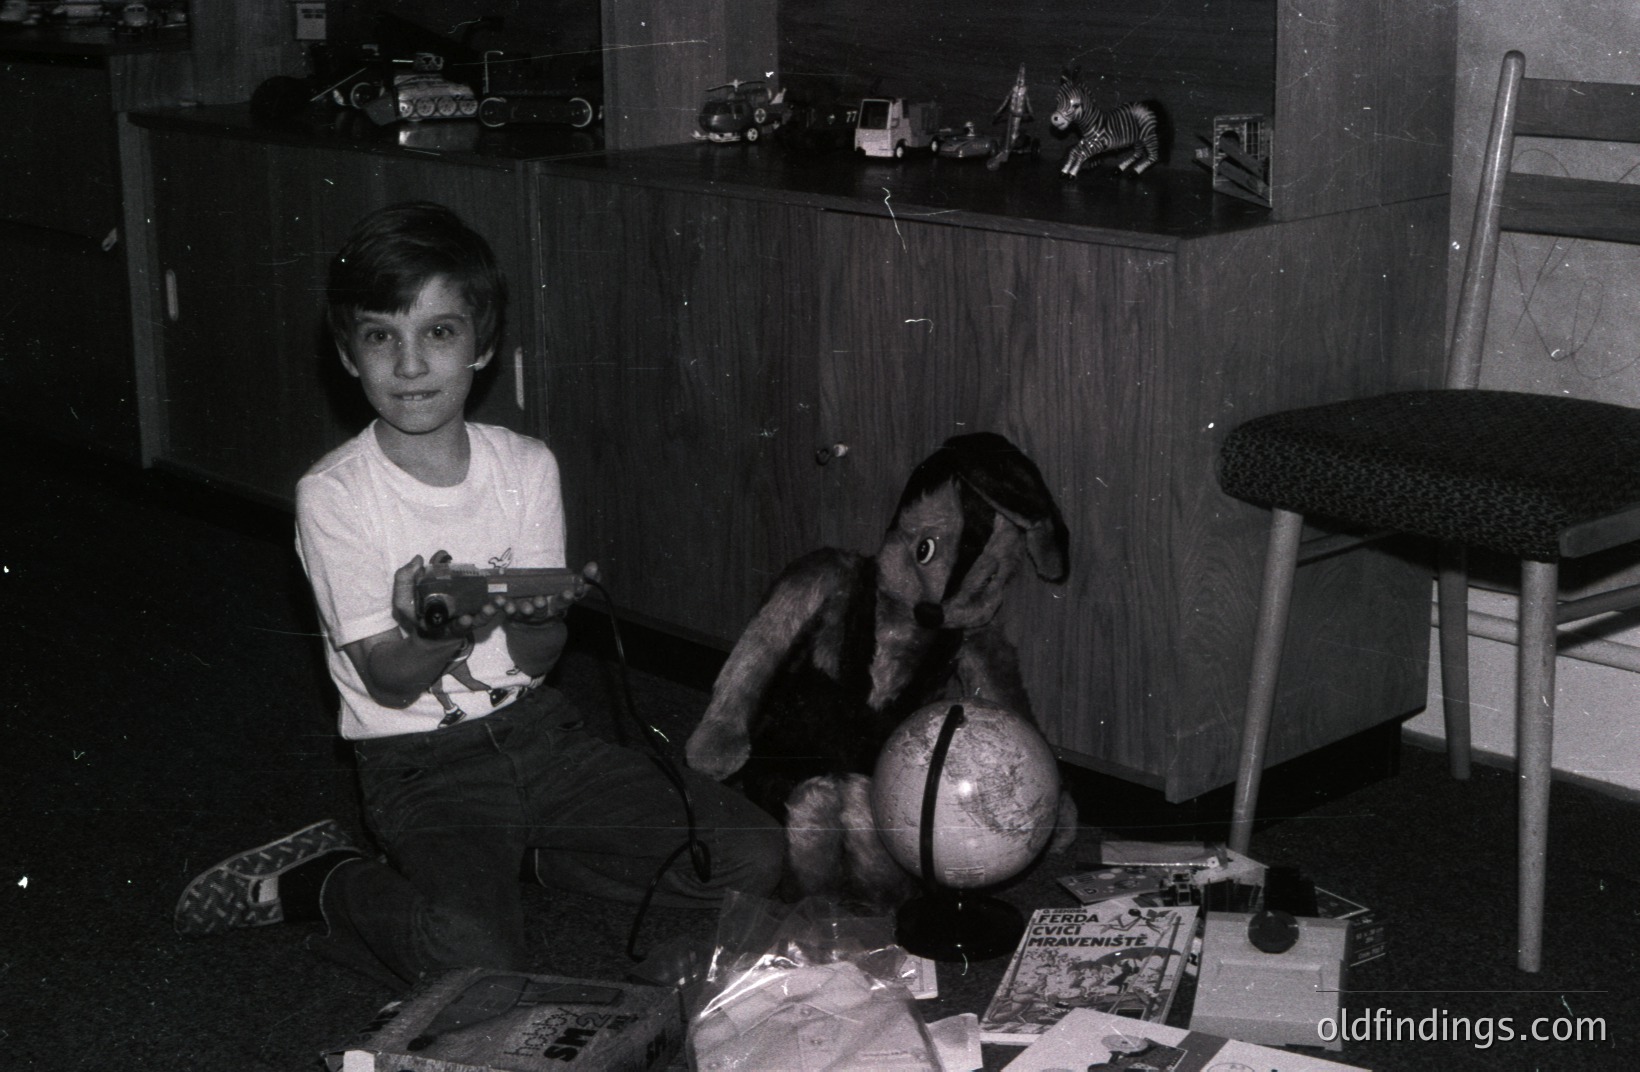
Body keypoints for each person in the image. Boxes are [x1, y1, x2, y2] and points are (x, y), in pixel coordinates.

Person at [173, 202, 783, 989]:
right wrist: (439, 627)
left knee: (755, 855)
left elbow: (539, 656)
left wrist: (539, 619)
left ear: (483, 346)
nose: (411, 363)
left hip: (541, 735)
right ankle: (326, 878)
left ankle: (528, 856)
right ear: (349, 355)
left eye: (439, 331)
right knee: (480, 966)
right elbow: (389, 682)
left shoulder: (526, 467)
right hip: (421, 765)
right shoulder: (335, 495)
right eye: (381, 335)